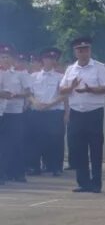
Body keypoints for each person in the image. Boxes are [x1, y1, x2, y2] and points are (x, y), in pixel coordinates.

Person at [58, 37, 105, 193]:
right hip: (76, 113)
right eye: (79, 50)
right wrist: (72, 86)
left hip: (94, 113)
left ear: (90, 50)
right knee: (78, 148)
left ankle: (96, 184)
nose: (83, 52)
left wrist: (90, 90)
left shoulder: (99, 67)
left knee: (95, 148)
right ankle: (83, 183)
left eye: (86, 49)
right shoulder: (70, 69)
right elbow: (61, 90)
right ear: (75, 52)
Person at [28, 48, 67, 176]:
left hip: (54, 112)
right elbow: (29, 93)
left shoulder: (60, 77)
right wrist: (35, 102)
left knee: (55, 140)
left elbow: (63, 95)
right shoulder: (34, 76)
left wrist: (49, 104)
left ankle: (55, 167)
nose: (50, 61)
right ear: (43, 60)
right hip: (37, 111)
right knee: (35, 139)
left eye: (53, 59)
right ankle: (35, 166)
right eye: (48, 58)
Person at [0, 45, 32, 182]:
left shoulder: (20, 74)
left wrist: (14, 95)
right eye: (2, 57)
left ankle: (18, 172)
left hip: (15, 112)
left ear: (13, 59)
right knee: (3, 145)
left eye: (7, 57)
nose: (4, 59)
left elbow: (28, 92)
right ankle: (4, 173)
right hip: (2, 112)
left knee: (15, 143)